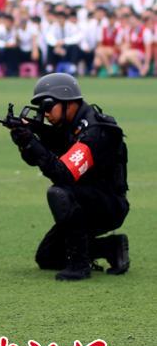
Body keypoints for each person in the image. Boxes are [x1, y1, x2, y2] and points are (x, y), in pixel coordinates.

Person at [7, 73, 129, 281]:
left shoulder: (95, 131)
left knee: (59, 192)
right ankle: (111, 247)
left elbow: (62, 175)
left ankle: (79, 266)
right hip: (85, 200)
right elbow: (36, 159)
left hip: (108, 206)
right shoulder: (69, 127)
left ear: (68, 102)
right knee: (47, 257)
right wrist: (25, 141)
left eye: (47, 105)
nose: (45, 114)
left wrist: (33, 142)